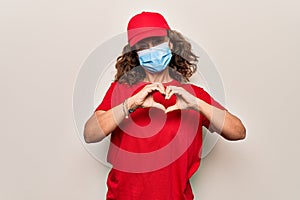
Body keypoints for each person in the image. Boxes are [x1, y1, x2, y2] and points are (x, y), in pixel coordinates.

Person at [84, 11, 246, 200]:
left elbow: (238, 132)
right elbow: (90, 134)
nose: (152, 50)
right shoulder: (121, 90)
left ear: (170, 43)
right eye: (143, 46)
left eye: (157, 42)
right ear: (135, 53)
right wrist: (130, 103)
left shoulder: (193, 95)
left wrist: (197, 104)